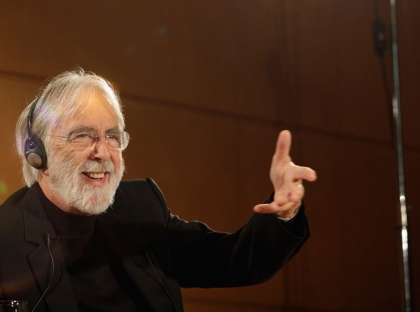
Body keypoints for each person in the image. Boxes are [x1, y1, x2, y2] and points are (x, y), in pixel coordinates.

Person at [0, 70, 317, 311]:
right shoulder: (6, 239)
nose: (103, 152)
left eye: (112, 137)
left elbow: (236, 261)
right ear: (36, 153)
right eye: (82, 136)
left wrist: (284, 209)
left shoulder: (139, 208)